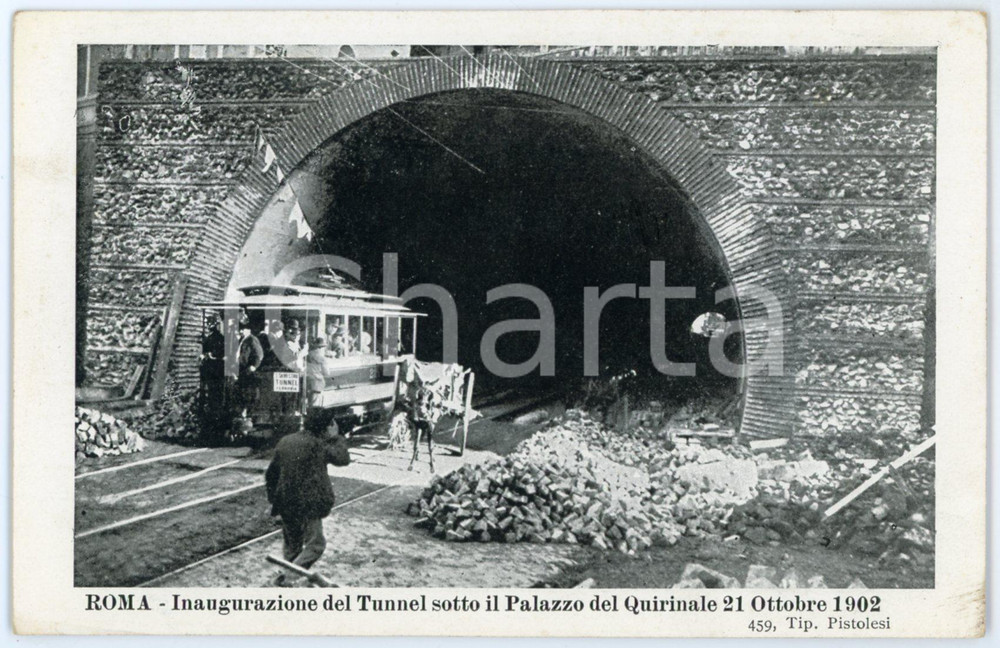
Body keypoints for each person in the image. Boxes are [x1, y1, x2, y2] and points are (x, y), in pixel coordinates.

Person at [265, 420, 350, 584]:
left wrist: (274, 499)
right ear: (325, 428)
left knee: (292, 547)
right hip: (308, 504)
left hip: (286, 502)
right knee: (316, 545)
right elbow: (343, 459)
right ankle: (286, 579)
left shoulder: (286, 440)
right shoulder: (318, 444)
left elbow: (271, 474)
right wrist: (336, 437)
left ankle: (288, 584)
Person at [236, 313, 264, 416]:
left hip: (248, 372)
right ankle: (242, 414)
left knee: (248, 393)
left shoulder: (252, 340)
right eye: (239, 329)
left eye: (242, 329)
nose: (240, 331)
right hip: (241, 370)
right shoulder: (242, 340)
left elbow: (259, 355)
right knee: (241, 393)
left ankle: (247, 414)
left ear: (248, 329)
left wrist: (253, 366)